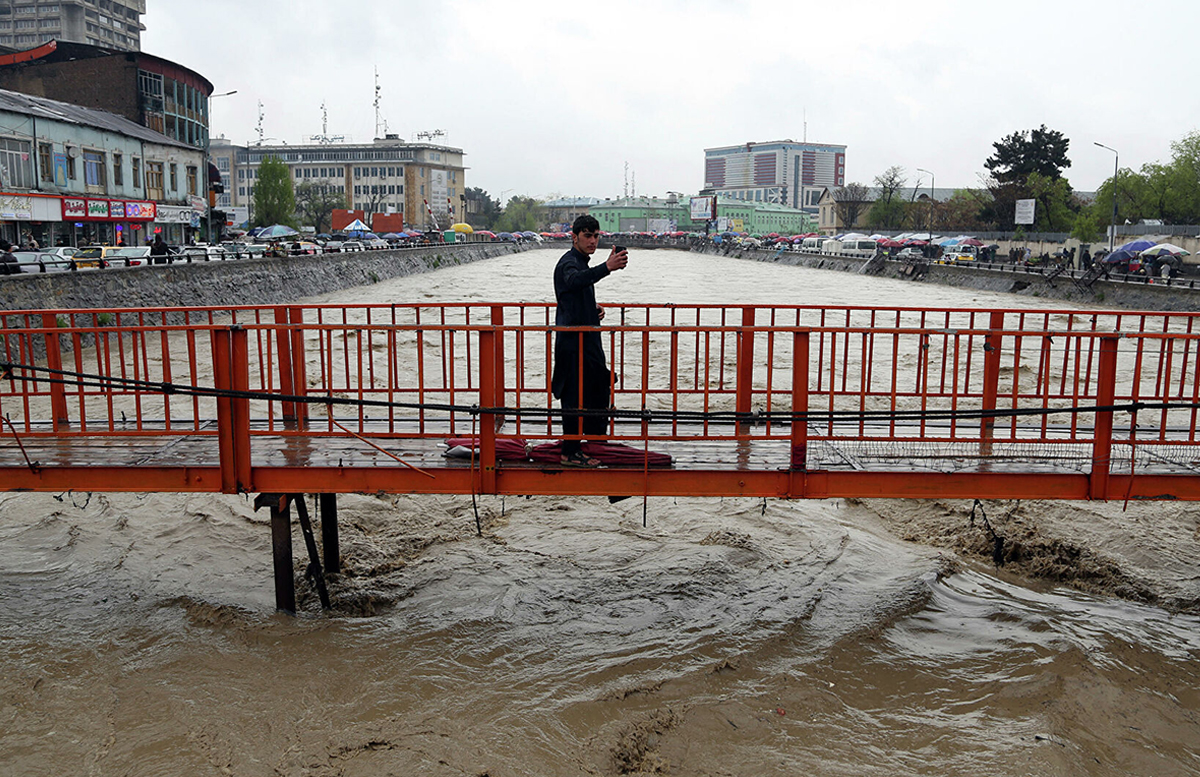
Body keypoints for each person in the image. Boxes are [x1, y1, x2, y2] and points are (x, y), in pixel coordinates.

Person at [551, 215, 628, 467]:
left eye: (596, 236)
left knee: (598, 386)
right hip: (573, 343)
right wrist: (607, 267)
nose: (593, 240)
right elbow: (573, 281)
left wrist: (592, 308)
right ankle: (570, 451)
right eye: (587, 236)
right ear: (574, 237)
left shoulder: (580, 262)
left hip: (586, 337)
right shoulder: (569, 263)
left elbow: (574, 292)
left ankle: (595, 441)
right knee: (572, 396)